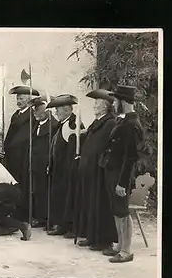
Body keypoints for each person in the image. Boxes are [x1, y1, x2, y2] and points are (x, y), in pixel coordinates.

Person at [99, 85, 144, 263]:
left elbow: (130, 157)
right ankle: (119, 245)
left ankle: (126, 251)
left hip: (120, 175)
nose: (113, 103)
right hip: (112, 172)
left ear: (123, 102)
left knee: (123, 212)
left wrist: (122, 183)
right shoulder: (123, 120)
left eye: (116, 100)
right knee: (117, 211)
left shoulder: (132, 124)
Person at [74, 89, 118, 251]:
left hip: (99, 172)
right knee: (89, 204)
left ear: (106, 107)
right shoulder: (97, 122)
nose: (94, 106)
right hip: (88, 170)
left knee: (99, 205)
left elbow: (106, 146)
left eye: (97, 104)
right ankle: (91, 236)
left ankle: (103, 240)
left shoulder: (110, 123)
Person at [46, 94, 84, 238]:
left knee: (69, 197)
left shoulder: (75, 123)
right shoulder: (61, 124)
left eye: (58, 110)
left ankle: (70, 227)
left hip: (69, 168)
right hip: (59, 167)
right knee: (60, 197)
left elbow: (75, 147)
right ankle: (61, 225)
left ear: (68, 110)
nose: (56, 113)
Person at [4, 85, 40, 221]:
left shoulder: (31, 115)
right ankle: (15, 209)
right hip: (13, 155)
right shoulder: (16, 114)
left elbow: (25, 137)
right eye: (18, 98)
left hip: (23, 155)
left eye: (22, 98)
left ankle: (24, 212)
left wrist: (13, 145)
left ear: (29, 100)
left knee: (24, 184)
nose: (19, 101)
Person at [28, 97, 59, 228]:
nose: (34, 113)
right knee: (37, 191)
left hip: (46, 164)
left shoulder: (53, 125)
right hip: (35, 164)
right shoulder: (35, 125)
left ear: (46, 111)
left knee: (46, 192)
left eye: (37, 110)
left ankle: (48, 219)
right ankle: (39, 217)